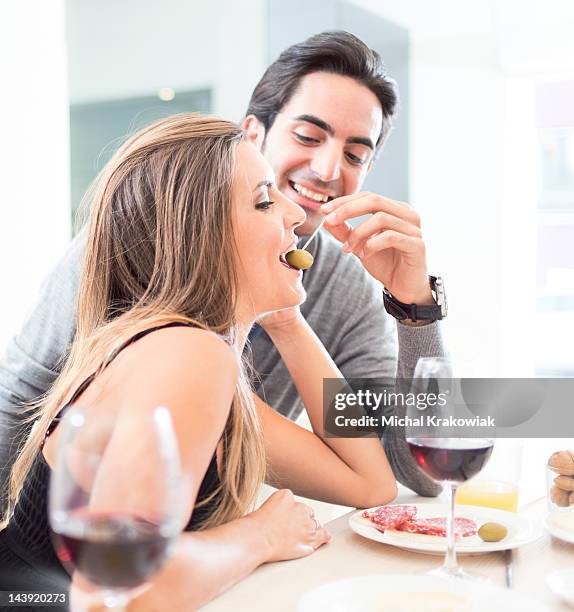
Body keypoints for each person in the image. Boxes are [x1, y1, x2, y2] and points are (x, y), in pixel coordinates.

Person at [0, 30, 443, 514]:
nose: (328, 167)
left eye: (356, 155)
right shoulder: (160, 310)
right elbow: (21, 400)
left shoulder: (322, 293)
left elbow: (414, 468)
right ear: (253, 134)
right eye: (307, 136)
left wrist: (414, 305)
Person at [0, 114, 397, 610]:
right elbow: (124, 589)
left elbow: (370, 482)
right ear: (200, 236)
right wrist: (261, 536)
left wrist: (286, 320)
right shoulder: (188, 354)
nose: (294, 216)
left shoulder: (190, 356)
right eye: (263, 200)